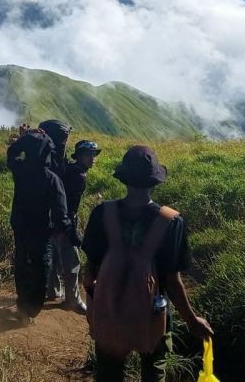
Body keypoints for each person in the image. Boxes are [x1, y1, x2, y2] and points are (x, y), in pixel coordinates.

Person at [82, 145, 213, 382]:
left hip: (110, 309)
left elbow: (89, 270)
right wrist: (193, 321)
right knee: (154, 369)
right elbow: (173, 283)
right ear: (155, 181)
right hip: (154, 313)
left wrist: (97, 303)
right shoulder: (171, 221)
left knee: (109, 372)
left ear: (124, 179)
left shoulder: (103, 213)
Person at [7, 131, 69, 323]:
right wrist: (64, 230)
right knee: (41, 269)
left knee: (22, 265)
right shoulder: (51, 178)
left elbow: (11, 154)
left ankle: (23, 305)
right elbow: (60, 210)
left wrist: (24, 140)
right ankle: (31, 310)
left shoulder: (20, 170)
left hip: (21, 229)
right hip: (42, 233)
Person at [49, 139, 101, 313]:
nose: (92, 158)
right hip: (63, 221)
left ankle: (53, 291)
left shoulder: (69, 169)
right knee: (73, 263)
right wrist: (71, 230)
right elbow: (69, 206)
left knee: (55, 259)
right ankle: (73, 301)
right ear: (79, 156)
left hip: (51, 219)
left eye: (94, 155)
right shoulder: (78, 176)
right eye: (88, 155)